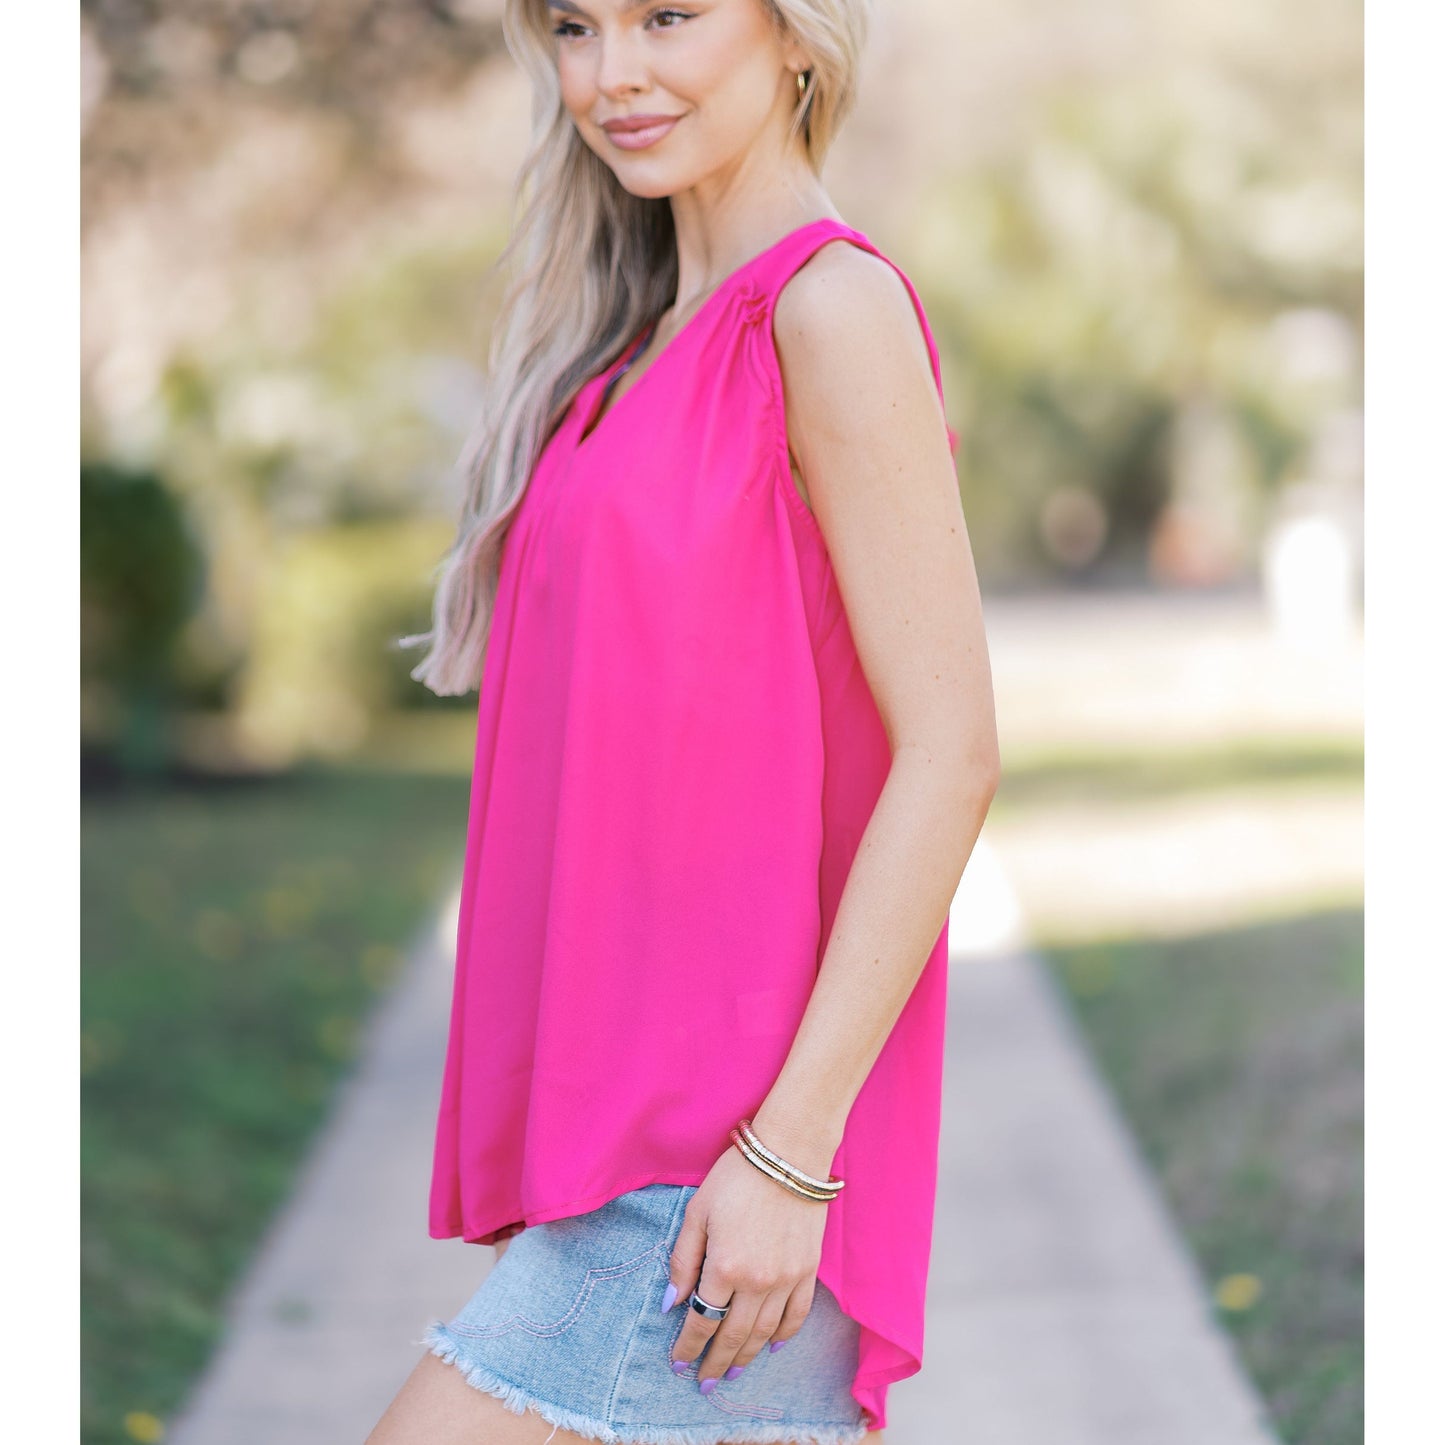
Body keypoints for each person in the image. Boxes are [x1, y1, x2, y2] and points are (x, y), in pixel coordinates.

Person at [369, 0, 998, 1440]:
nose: (614, 74)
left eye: (667, 14)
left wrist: (789, 1158)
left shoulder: (828, 312)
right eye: (575, 26)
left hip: (717, 1156)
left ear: (797, 36)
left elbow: (949, 750)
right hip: (641, 1144)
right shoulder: (623, 355)